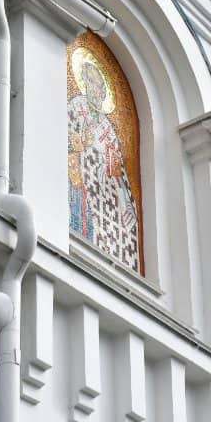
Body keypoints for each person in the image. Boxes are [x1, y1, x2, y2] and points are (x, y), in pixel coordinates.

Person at [68, 58, 140, 272]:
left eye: (100, 86)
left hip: (97, 192)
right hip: (77, 182)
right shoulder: (76, 106)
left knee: (95, 229)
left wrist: (125, 203)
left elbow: (116, 171)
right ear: (84, 84)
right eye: (91, 83)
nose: (96, 90)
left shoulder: (108, 128)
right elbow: (60, 134)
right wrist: (82, 141)